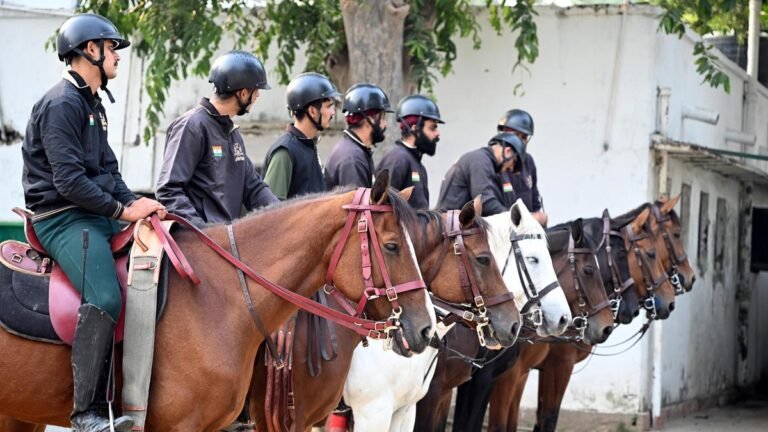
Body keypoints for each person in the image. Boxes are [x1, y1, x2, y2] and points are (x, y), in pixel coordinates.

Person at [21, 13, 166, 431]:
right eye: (112, 47)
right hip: (63, 217)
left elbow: (109, 173)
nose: (118, 56)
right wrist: (123, 211)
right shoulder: (62, 103)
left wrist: (140, 203)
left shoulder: (93, 104)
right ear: (90, 50)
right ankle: (86, 414)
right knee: (104, 296)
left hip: (95, 211)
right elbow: (68, 182)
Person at [155, 50, 278, 226]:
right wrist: (202, 231)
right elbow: (169, 190)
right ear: (243, 93)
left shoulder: (232, 132)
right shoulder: (192, 126)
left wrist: (285, 215)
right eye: (256, 91)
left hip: (225, 240)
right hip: (198, 241)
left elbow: (253, 187)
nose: (258, 96)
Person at [262, 72, 340, 199]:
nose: (333, 113)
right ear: (313, 111)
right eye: (329, 106)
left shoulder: (309, 144)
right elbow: (272, 210)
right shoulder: (285, 151)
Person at [375, 94, 442, 209]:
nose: (437, 133)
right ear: (414, 128)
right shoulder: (398, 160)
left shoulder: (416, 162)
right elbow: (380, 208)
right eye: (432, 128)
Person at [436, 132, 526, 217]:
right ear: (507, 151)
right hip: (450, 226)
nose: (511, 168)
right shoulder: (481, 160)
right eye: (514, 162)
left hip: (453, 223)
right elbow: (485, 202)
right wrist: (511, 217)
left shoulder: (482, 159)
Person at [324, 83, 392, 189]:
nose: (385, 124)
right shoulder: (353, 159)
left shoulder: (357, 150)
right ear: (368, 120)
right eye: (383, 118)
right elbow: (357, 205)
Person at [497, 109, 547, 226]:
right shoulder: (495, 162)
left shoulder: (529, 161)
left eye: (525, 137)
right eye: (522, 137)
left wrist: (539, 221)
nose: (523, 142)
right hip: (505, 228)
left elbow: (534, 198)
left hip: (529, 230)